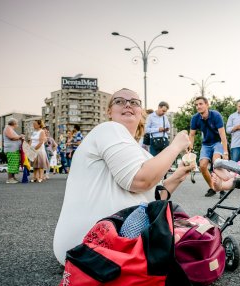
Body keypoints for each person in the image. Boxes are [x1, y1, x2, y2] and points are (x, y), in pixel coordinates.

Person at [53, 88, 194, 265]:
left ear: (141, 112)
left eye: (134, 102)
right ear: (109, 112)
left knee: (186, 229)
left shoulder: (142, 155)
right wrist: (175, 146)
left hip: (111, 245)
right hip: (94, 245)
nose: (128, 104)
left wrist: (178, 176)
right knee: (189, 234)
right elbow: (140, 181)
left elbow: (152, 200)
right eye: (120, 101)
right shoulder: (108, 129)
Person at [189, 96, 229, 198]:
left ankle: (222, 188)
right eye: (196, 105)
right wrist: (190, 149)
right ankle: (212, 187)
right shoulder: (195, 118)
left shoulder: (216, 115)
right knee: (202, 166)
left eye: (201, 104)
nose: (198, 106)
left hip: (217, 142)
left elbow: (222, 135)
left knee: (216, 162)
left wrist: (225, 152)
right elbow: (192, 135)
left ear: (207, 105)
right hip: (206, 144)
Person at [3, 118, 25, 184]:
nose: (17, 125)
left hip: (14, 149)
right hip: (11, 149)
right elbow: (11, 137)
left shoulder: (10, 128)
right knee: (12, 164)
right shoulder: (8, 128)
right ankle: (10, 179)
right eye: (17, 123)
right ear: (14, 124)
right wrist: (20, 136)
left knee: (15, 164)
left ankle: (13, 177)